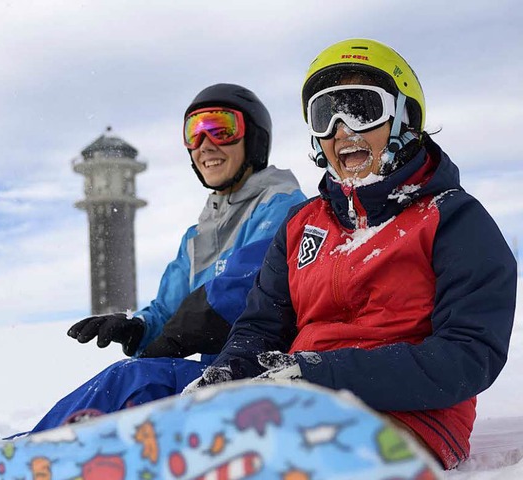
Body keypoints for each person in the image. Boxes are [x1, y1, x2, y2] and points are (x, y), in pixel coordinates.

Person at [184, 39, 517, 470]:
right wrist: (230, 370)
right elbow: (261, 327)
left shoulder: (451, 218)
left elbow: (469, 356)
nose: (342, 129)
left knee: (289, 461)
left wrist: (322, 373)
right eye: (326, 114)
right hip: (296, 401)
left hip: (412, 416)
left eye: (362, 109)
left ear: (405, 119)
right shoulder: (302, 225)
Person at [28, 83, 306, 432]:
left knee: (136, 381)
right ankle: (24, 448)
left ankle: (30, 455)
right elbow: (168, 310)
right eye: (195, 133)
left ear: (253, 140)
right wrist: (140, 328)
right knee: (129, 399)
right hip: (219, 378)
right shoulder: (198, 235)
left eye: (221, 128)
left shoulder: (283, 207)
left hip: (266, 374)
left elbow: (247, 288)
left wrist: (180, 332)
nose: (206, 145)